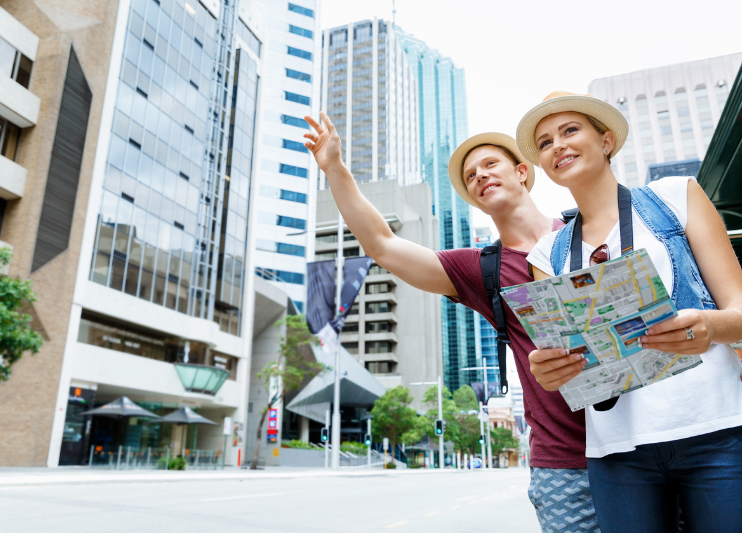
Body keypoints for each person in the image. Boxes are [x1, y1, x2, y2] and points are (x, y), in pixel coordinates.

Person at [303, 111, 601, 532]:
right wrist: (334, 166)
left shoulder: (592, 231)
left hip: (643, 443)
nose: (480, 175)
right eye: (471, 175)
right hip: (564, 464)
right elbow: (383, 245)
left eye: (490, 165)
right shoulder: (481, 270)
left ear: (521, 172)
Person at [518, 91, 742, 533]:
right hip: (617, 453)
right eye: (545, 143)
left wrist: (708, 326)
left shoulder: (677, 196)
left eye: (569, 130)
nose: (557, 145)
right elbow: (564, 361)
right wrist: (549, 370)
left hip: (717, 431)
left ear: (606, 141)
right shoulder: (547, 254)